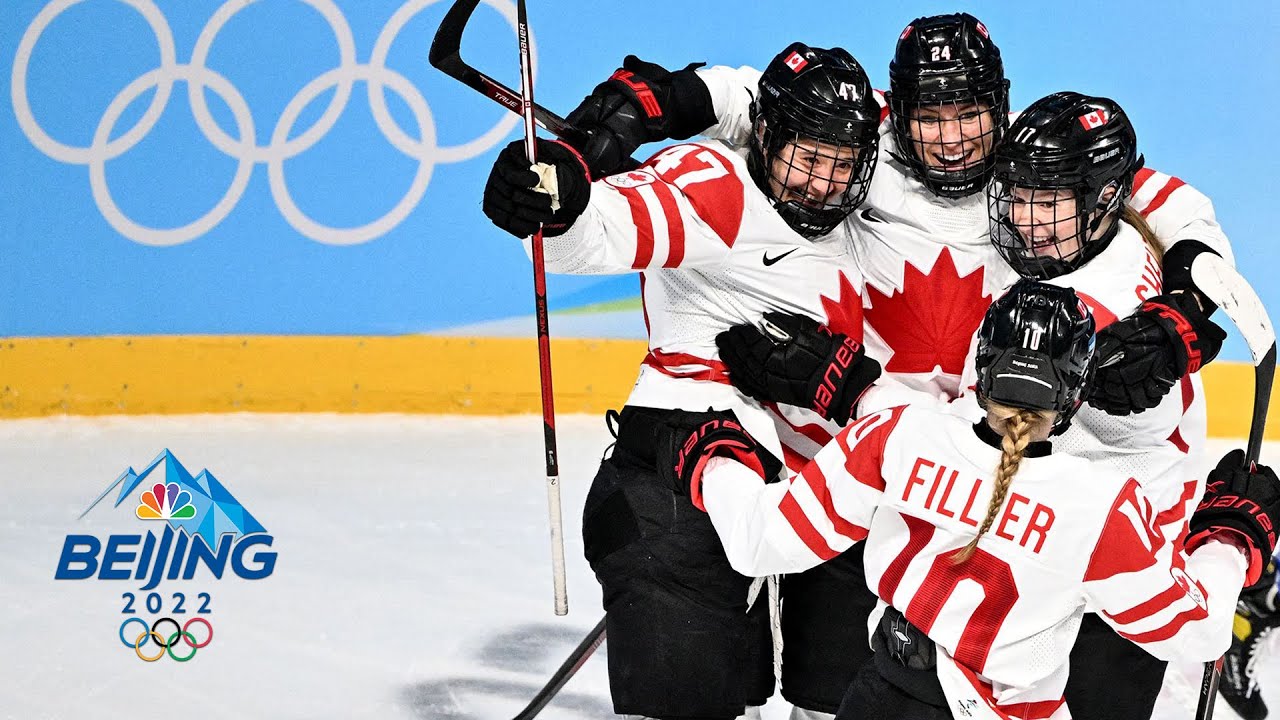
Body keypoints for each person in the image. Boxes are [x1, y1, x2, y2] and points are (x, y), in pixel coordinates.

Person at [561, 14, 1235, 720]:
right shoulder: (861, 147)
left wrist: (1186, 301)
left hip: (953, 480)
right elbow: (752, 101)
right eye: (930, 116)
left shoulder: (1031, 171)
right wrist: (661, 99)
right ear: (897, 109)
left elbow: (1155, 193)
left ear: (999, 107)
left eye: (970, 113)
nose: (950, 139)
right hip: (863, 467)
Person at [655, 280, 1280, 720]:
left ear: (980, 365)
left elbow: (758, 540)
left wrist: (714, 455)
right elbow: (1195, 634)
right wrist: (1230, 535)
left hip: (882, 698)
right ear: (1075, 390)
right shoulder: (1104, 509)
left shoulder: (895, 433)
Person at [482, 43, 885, 720]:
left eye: (841, 166)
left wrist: (674, 98)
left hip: (796, 490)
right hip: (684, 482)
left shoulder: (854, 187)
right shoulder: (718, 186)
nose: (823, 183)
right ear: (767, 137)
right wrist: (554, 196)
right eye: (809, 160)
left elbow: (737, 92)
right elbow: (596, 232)